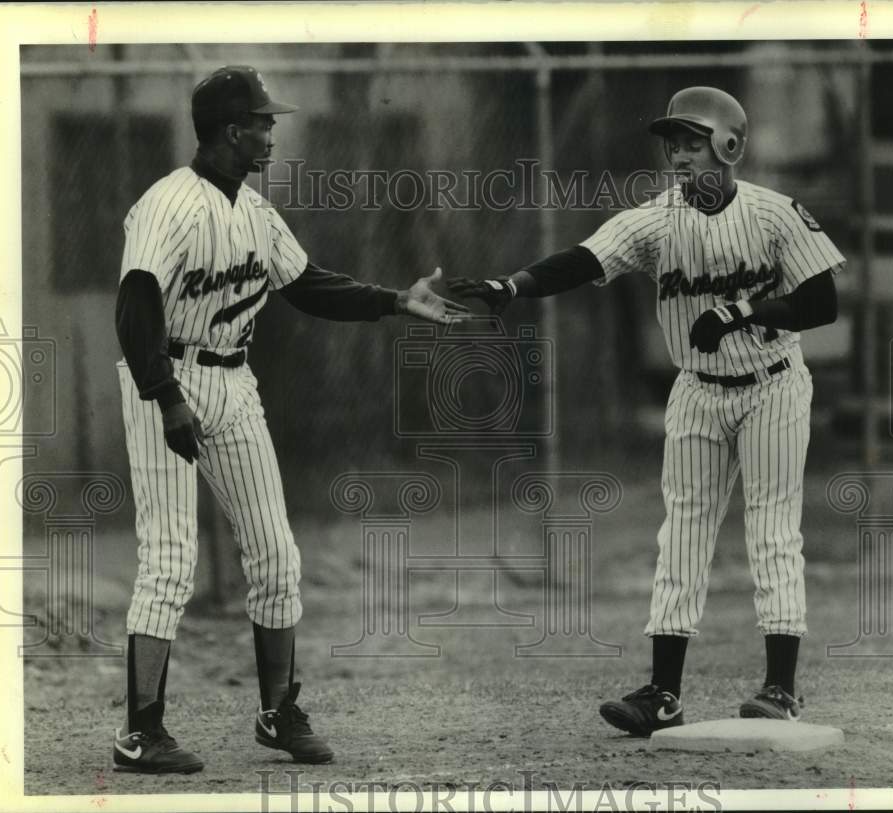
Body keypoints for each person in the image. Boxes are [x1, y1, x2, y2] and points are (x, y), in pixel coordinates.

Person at [448, 86, 844, 736]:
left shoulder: (775, 214)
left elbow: (821, 301)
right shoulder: (658, 221)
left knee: (772, 531)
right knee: (682, 533)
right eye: (674, 145)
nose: (679, 157)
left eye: (693, 143)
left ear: (728, 145)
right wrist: (510, 285)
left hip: (774, 384)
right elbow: (584, 257)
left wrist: (746, 310)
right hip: (697, 388)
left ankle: (781, 686)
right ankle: (662, 692)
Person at [113, 65, 468, 773]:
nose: (272, 131)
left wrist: (397, 301)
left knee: (277, 555)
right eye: (262, 120)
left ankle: (278, 711)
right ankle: (140, 731)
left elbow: (310, 287)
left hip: (234, 379)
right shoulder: (168, 205)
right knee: (171, 559)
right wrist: (166, 394)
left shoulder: (255, 212)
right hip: (166, 372)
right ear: (228, 130)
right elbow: (134, 304)